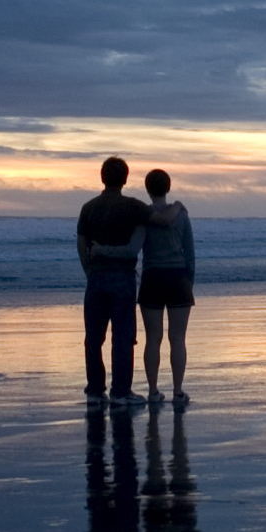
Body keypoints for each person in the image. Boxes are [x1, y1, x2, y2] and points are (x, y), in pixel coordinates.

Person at [78, 157, 150, 405]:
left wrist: (89, 270)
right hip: (123, 277)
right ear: (126, 179)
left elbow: (81, 245)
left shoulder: (89, 207)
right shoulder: (134, 207)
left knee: (93, 336)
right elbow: (159, 218)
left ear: (102, 177)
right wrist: (178, 209)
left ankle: (95, 388)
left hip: (96, 277)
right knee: (123, 335)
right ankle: (121, 391)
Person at [136, 169, 195, 404]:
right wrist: (189, 280)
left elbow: (139, 246)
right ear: (168, 187)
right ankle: (178, 390)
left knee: (153, 338)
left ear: (148, 189)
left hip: (152, 276)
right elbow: (190, 252)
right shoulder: (181, 215)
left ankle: (152, 390)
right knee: (178, 338)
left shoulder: (145, 215)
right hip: (177, 276)